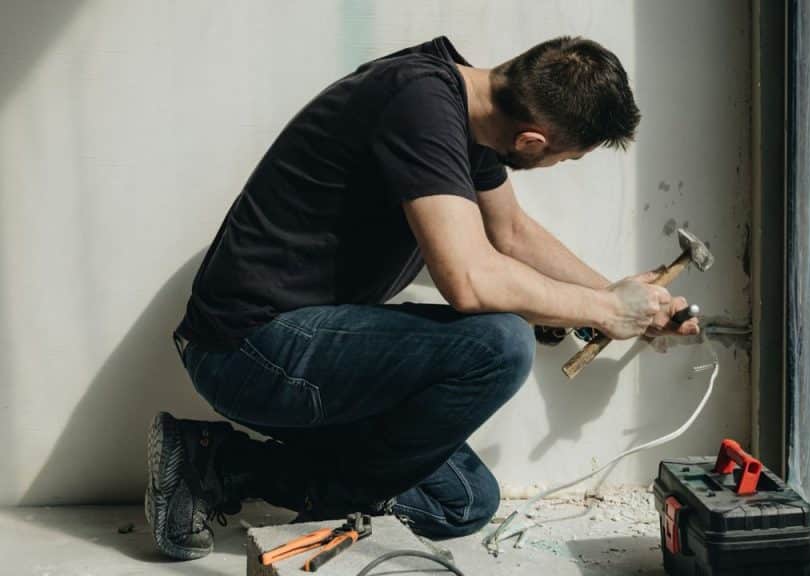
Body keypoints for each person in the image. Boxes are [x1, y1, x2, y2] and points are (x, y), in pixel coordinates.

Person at [147, 35, 700, 560]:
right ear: (532, 140)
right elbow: (469, 281)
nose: (560, 165)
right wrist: (604, 310)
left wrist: (622, 299)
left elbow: (509, 233)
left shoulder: (466, 111)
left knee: (459, 502)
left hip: (310, 350)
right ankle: (333, 502)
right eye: (567, 157)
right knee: (500, 342)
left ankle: (216, 464)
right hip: (249, 350)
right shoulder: (416, 102)